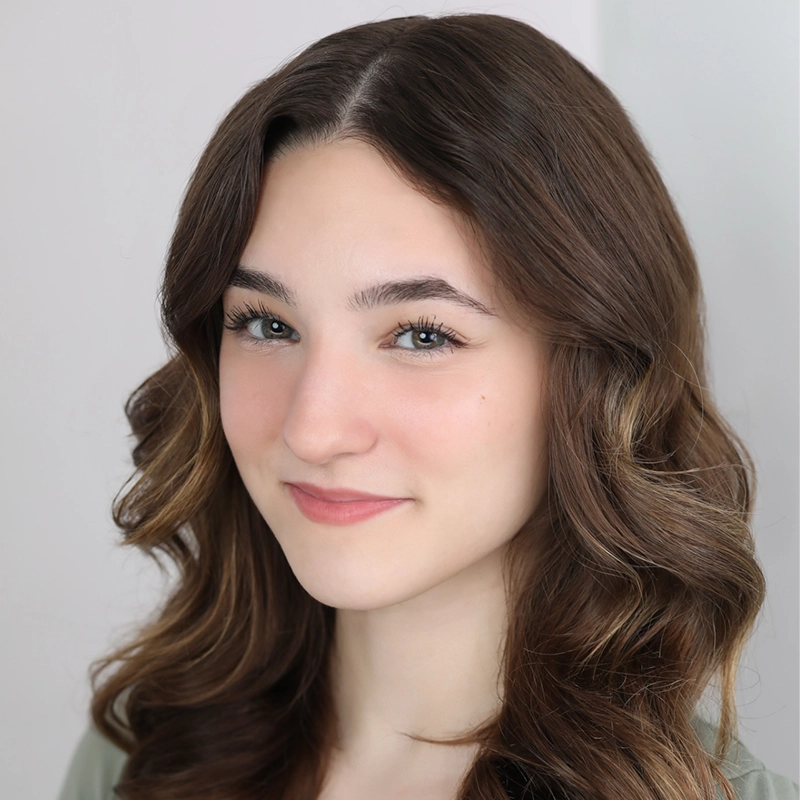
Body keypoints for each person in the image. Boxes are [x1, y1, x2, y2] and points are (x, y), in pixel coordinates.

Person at [57, 13, 798, 800]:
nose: (313, 428)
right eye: (268, 325)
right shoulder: (142, 756)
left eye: (420, 335)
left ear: (591, 371)